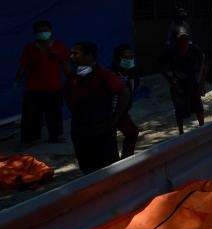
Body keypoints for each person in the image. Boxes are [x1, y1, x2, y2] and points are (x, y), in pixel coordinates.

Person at [65, 42, 129, 174]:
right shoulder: (73, 77)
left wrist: (115, 117)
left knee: (108, 167)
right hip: (80, 129)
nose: (72, 57)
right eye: (71, 54)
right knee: (87, 167)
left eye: (76, 53)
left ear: (89, 56)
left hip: (101, 127)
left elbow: (124, 93)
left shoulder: (104, 75)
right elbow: (68, 96)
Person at [15, 20, 69, 144]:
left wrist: (70, 80)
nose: (43, 33)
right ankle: (32, 138)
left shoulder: (59, 46)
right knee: (32, 115)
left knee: (54, 113)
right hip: (34, 87)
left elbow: (66, 65)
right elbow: (23, 66)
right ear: (35, 33)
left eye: (45, 30)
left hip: (54, 86)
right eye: (39, 31)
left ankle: (56, 136)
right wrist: (17, 79)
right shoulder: (30, 48)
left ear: (50, 31)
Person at [159, 29, 205, 134]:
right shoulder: (171, 51)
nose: (184, 41)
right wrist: (171, 79)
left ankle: (202, 127)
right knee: (180, 109)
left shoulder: (194, 49)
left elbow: (202, 63)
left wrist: (200, 81)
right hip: (178, 84)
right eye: (181, 38)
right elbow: (162, 67)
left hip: (193, 82)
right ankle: (181, 132)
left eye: (186, 38)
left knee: (198, 106)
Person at [111, 44, 141, 158]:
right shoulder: (111, 75)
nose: (129, 60)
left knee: (132, 132)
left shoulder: (132, 74)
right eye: (126, 57)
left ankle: (126, 159)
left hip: (121, 111)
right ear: (118, 59)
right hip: (110, 112)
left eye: (131, 57)